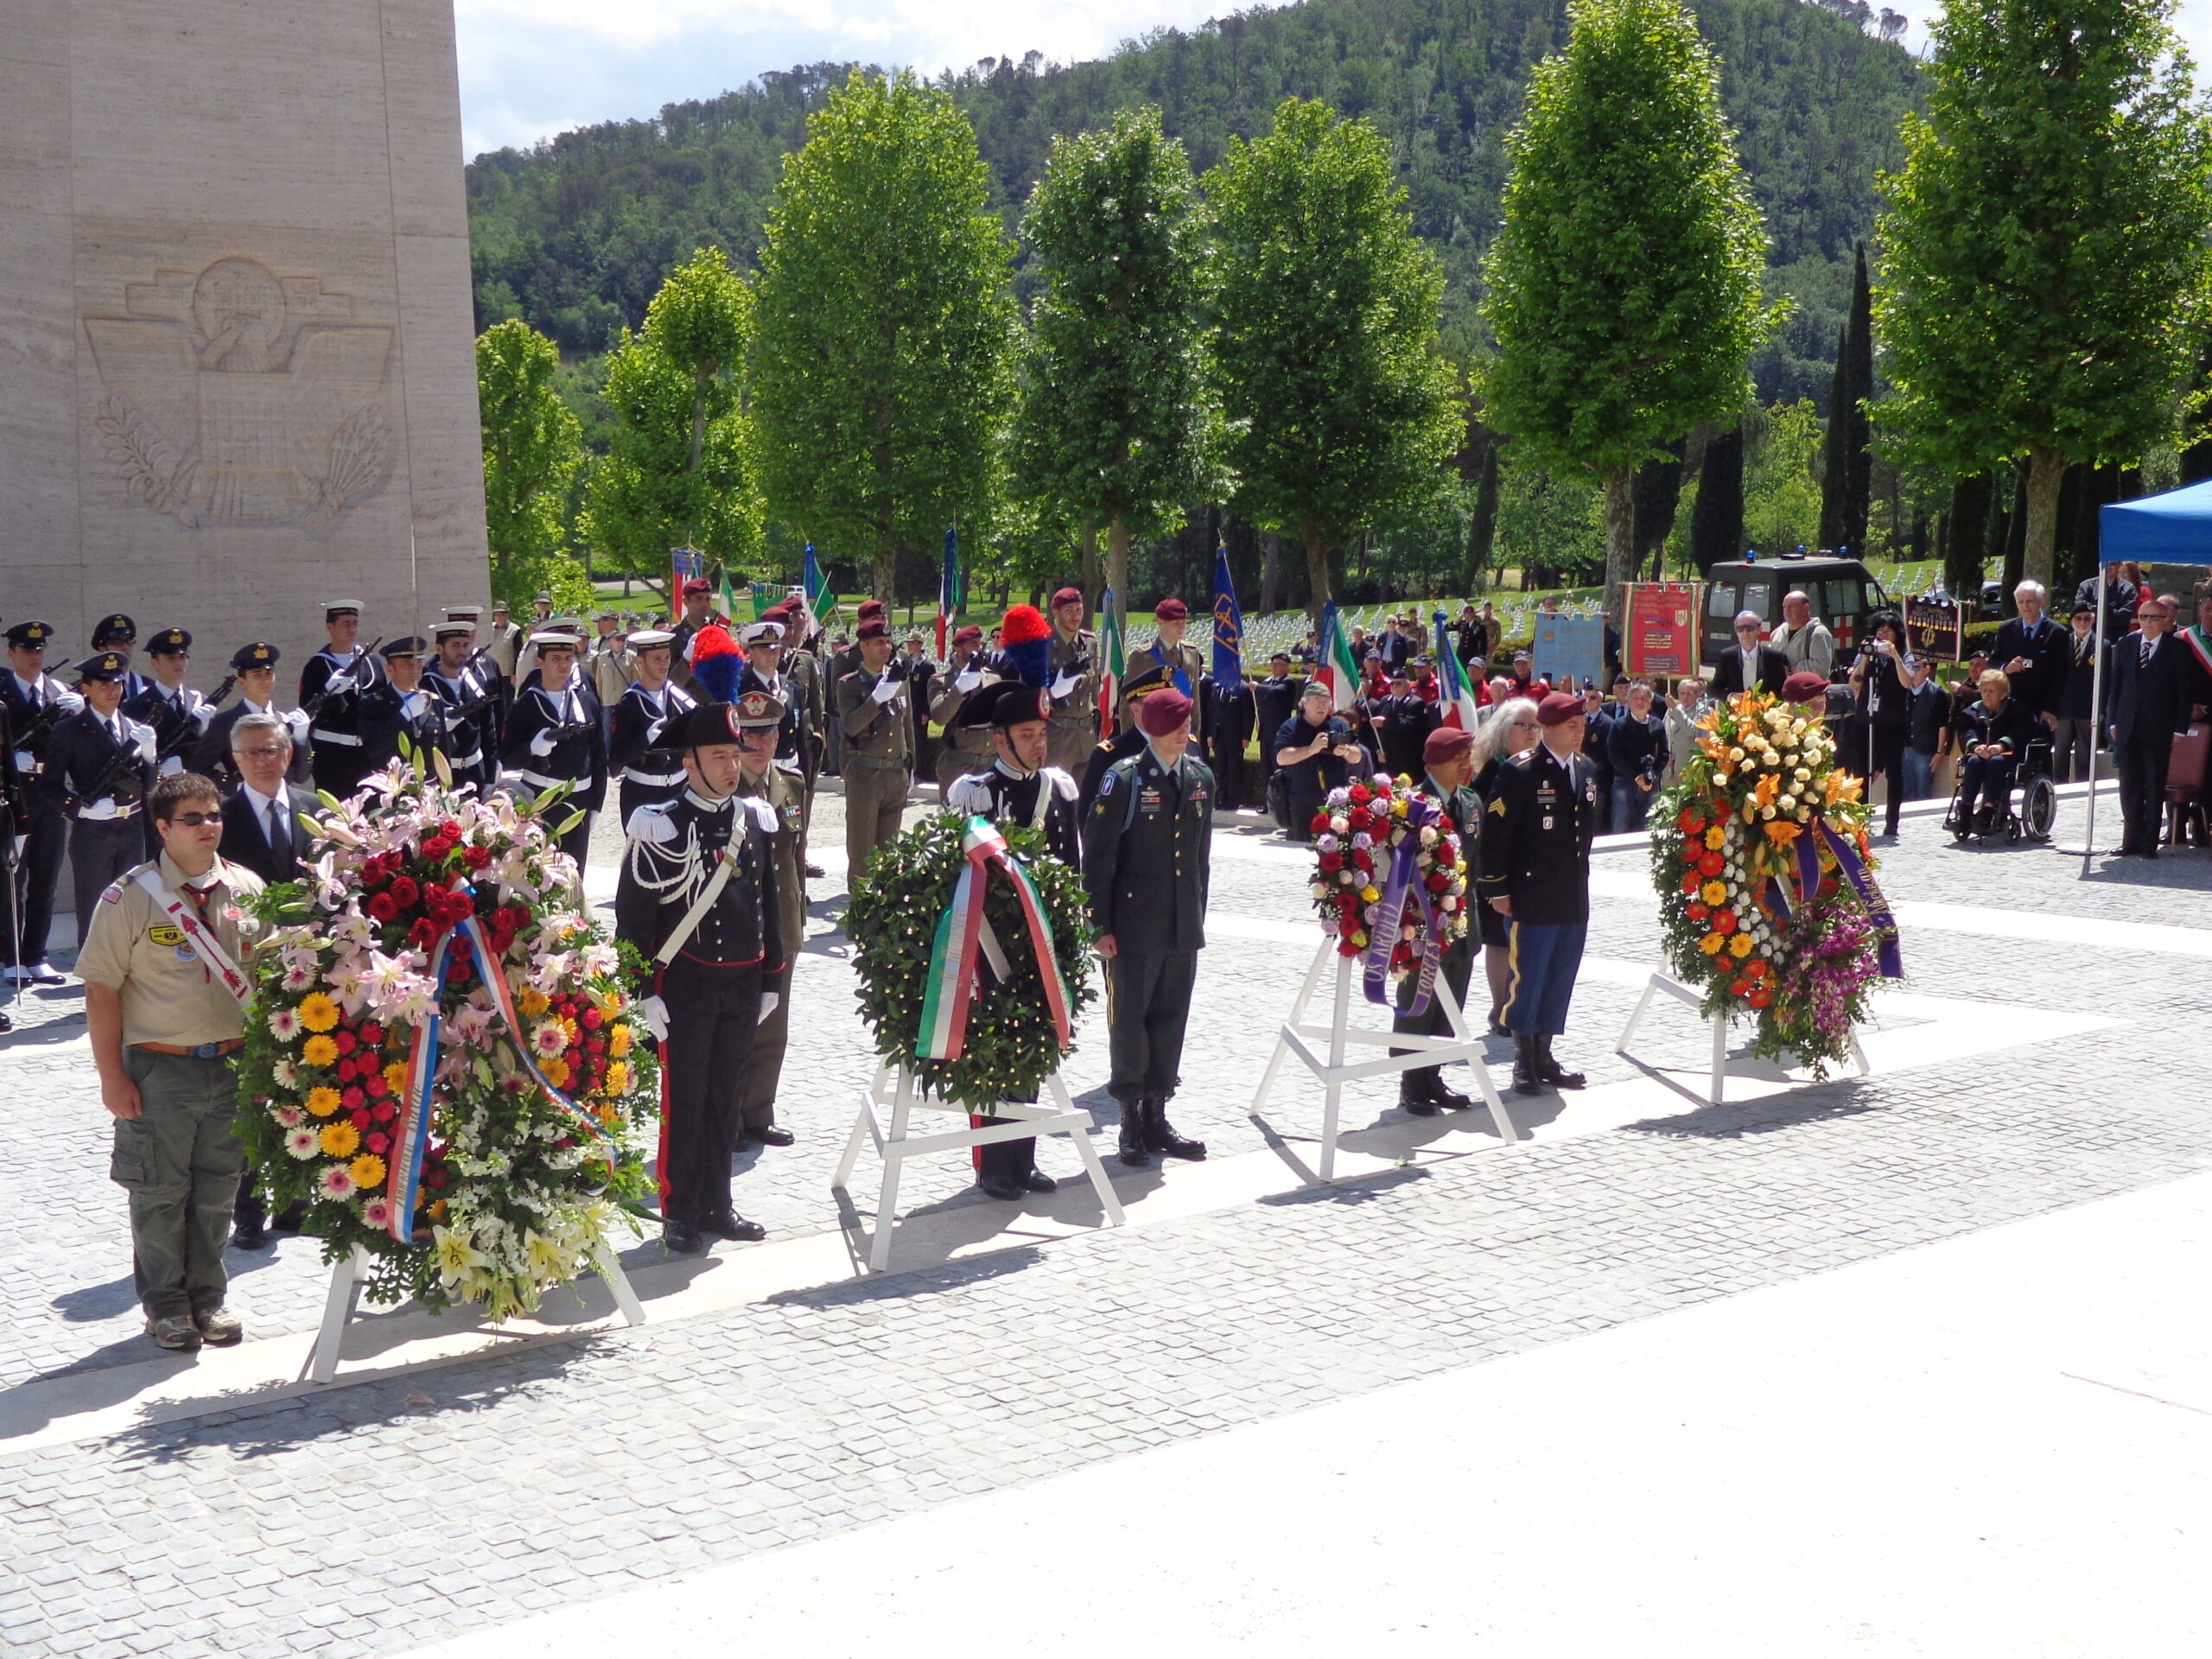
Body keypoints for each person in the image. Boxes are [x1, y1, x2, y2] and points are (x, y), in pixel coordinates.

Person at [76, 772, 266, 1351]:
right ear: (162, 827)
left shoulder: (248, 888)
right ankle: (164, 1306)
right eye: (193, 818)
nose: (209, 826)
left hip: (231, 1064)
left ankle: (208, 1298)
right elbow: (101, 990)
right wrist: (112, 1076)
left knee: (217, 1190)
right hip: (161, 1068)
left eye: (214, 815)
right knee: (159, 1192)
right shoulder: (129, 897)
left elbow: (269, 983)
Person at [615, 700, 785, 1253]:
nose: (732, 766)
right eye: (719, 756)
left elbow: (770, 903)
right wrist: (642, 991)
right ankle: (680, 1207)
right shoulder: (661, 824)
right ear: (689, 762)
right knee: (685, 1099)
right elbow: (634, 916)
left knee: (728, 1096)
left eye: (735, 754)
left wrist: (770, 979)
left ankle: (719, 1202)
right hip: (685, 984)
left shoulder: (753, 819)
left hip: (740, 983)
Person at [944, 681, 1082, 1199]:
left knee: (1032, 1048)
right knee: (991, 1051)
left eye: (1042, 733)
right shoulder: (974, 792)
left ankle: (1023, 1156)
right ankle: (993, 1165)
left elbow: (1071, 864)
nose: (1039, 744)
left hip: (1040, 941)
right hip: (991, 943)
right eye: (1027, 735)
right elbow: (956, 875)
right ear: (1001, 740)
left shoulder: (1060, 787)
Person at [1082, 685, 1211, 1169]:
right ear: (1153, 728)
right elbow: (1097, 858)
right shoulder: (1125, 779)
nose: (1185, 732)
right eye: (1176, 725)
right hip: (1133, 927)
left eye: (1187, 723)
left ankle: (1159, 1112)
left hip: (1180, 923)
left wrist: (1196, 914)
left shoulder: (1199, 775)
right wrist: (1098, 923)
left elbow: (1201, 858)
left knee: (1170, 1017)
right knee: (1130, 1022)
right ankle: (1131, 1117)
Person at [217, 711, 309, 1249]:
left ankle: (298, 1200)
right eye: (252, 753)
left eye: (272, 749)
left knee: (306, 1080)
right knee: (252, 1093)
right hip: (245, 972)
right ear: (236, 759)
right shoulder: (220, 818)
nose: (264, 760)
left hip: (310, 972)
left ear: (289, 753)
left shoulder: (317, 810)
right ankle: (247, 1212)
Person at [1478, 690, 1599, 1096]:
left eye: (1582, 725)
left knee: (1560, 975)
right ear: (1546, 729)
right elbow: (1496, 835)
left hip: (1571, 894)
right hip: (1531, 894)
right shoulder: (1521, 771)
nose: (1579, 733)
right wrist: (1497, 889)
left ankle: (1545, 1054)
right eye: (1571, 726)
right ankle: (1524, 1060)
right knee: (1527, 978)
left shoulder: (1587, 770)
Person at [1389, 726, 1484, 1116]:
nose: (1465, 764)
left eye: (1467, 756)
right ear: (1434, 763)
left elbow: (1476, 863)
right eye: (1457, 757)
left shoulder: (1472, 802)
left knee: (1452, 1004)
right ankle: (1411, 1080)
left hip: (1462, 922)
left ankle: (1434, 1075)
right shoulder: (1412, 805)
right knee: (1418, 1002)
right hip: (1421, 925)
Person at [731, 689, 804, 1154]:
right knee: (738, 1023)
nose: (760, 745)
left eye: (768, 734)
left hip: (784, 924)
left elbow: (795, 859)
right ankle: (730, 1117)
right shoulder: (724, 788)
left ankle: (760, 1113)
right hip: (740, 926)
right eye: (751, 735)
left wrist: (798, 918)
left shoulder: (791, 784)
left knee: (773, 1025)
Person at [47, 650, 158, 946]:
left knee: (131, 905)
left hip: (132, 828)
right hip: (93, 833)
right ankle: (95, 981)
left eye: (118, 684)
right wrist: (79, 811)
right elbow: (50, 786)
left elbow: (149, 787)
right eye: (104, 684)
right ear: (86, 688)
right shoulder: (68, 730)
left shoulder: (134, 729)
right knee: (94, 908)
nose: (113, 691)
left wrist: (151, 757)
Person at [2108, 597, 2207, 857]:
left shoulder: (2178, 650)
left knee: (2153, 786)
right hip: (2128, 725)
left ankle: (2149, 844)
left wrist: (2179, 729)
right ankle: (2130, 841)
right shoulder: (2126, 644)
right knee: (2128, 786)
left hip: (2159, 728)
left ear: (2166, 621)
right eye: (2143, 617)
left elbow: (2183, 694)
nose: (2148, 623)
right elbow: (2116, 686)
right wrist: (2113, 721)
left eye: (2154, 618)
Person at [500, 628, 607, 867]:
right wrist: (532, 750)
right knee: (540, 871)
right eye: (555, 659)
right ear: (540, 662)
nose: (563, 665)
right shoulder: (526, 703)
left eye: (568, 658)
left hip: (579, 798)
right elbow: (508, 758)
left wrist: (596, 805)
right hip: (541, 800)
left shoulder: (586, 700)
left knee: (574, 873)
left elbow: (599, 755)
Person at [1471, 697, 1540, 1034]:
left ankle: (1521, 1004)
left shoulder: (1541, 765)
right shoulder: (1493, 769)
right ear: (1503, 730)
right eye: (1523, 725)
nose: (1530, 732)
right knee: (1499, 941)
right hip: (1499, 868)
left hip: (1532, 870)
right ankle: (1500, 1007)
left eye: (1535, 726)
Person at [835, 618, 914, 878]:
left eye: (889, 642)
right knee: (862, 853)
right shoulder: (850, 684)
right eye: (879, 642)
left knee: (889, 855)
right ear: (864, 645)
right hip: (866, 776)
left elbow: (907, 727)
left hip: (895, 774)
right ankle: (859, 913)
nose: (886, 647)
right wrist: (877, 697)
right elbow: (851, 726)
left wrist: (911, 766)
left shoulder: (899, 681)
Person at [192, 642, 311, 792]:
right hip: (246, 804)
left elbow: (301, 776)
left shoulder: (284, 721)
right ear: (242, 682)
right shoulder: (225, 723)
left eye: (269, 673)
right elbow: (199, 769)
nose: (265, 680)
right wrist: (235, 786)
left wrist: (301, 741)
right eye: (257, 675)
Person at [298, 601, 385, 799]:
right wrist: (328, 691)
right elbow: (306, 713)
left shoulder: (371, 662)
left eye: (355, 623)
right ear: (330, 627)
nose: (352, 629)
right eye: (346, 623)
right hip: (332, 756)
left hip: (366, 755)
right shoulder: (317, 665)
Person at [607, 628, 696, 821]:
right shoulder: (629, 703)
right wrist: (644, 741)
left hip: (678, 790)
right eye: (657, 659)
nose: (664, 664)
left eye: (667, 657)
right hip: (643, 793)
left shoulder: (679, 698)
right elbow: (615, 760)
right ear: (640, 661)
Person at [1950, 668, 2040, 840]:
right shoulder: (1973, 711)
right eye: (1984, 690)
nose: (1986, 695)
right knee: (1974, 762)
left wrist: (2001, 745)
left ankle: (1988, 810)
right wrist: (1976, 746)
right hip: (1981, 754)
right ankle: (1966, 810)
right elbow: (1966, 731)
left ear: (2003, 693)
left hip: (2009, 756)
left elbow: (2023, 731)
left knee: (1996, 762)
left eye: (1992, 691)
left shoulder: (2018, 710)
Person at [1847, 611, 1912, 836]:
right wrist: (1865, 657)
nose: (1884, 636)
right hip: (1866, 719)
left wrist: (1895, 657)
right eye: (1880, 632)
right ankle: (1860, 817)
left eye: (1888, 632)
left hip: (1893, 722)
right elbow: (1854, 682)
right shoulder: (1865, 652)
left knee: (1894, 770)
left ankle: (1892, 820)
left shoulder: (1904, 654)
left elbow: (1907, 682)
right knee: (1861, 770)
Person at [1274, 681, 1365, 842]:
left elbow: (1357, 756)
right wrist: (1311, 749)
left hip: (1335, 799)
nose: (1322, 705)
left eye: (1326, 701)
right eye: (1317, 700)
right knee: (1301, 847)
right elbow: (1281, 758)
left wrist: (1345, 751)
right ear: (1305, 702)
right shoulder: (1291, 726)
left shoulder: (1338, 725)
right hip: (1302, 799)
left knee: (1335, 849)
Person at [124, 627, 216, 785]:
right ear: (154, 662)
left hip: (196, 788)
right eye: (170, 658)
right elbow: (127, 760)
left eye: (182, 657)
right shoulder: (134, 706)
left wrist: (204, 732)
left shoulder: (200, 701)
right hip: (158, 793)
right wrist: (156, 768)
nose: (178, 663)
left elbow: (212, 756)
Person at [423, 622, 499, 791]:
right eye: (455, 645)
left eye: (465, 645)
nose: (462, 651)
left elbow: (488, 732)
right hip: (442, 773)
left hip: (475, 772)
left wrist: (490, 778)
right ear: (439, 649)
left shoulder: (476, 682)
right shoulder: (426, 684)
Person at [356, 638, 448, 778]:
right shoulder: (373, 703)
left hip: (428, 788)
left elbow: (443, 749)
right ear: (390, 669)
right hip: (392, 788)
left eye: (418, 663)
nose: (415, 670)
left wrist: (445, 788)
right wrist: (405, 715)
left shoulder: (432, 700)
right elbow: (373, 747)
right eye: (407, 665)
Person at [1079, 668, 1164, 816]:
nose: (1167, 710)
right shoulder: (1109, 755)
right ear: (1136, 709)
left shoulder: (1187, 747)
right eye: (1158, 704)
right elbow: (1089, 819)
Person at [1993, 581, 2068, 731]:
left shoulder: (2058, 632)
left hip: (2041, 709)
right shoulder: (2006, 629)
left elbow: (2061, 676)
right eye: (2021, 602)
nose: (2025, 606)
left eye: (2030, 601)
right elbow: (1993, 662)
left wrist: (2050, 709)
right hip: (2010, 707)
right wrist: (2006, 668)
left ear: (2042, 601)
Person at [929, 625, 996, 790]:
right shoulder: (942, 681)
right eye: (974, 644)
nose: (980, 649)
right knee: (955, 816)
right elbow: (939, 717)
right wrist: (959, 689)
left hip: (990, 766)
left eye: (981, 645)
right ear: (958, 650)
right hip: (958, 766)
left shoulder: (993, 678)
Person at [1044, 587, 1101, 772]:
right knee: (1056, 798)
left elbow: (1093, 687)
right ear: (1055, 613)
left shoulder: (1089, 642)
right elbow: (1028, 695)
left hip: (1086, 736)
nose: (1075, 616)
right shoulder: (1042, 646)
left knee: (1085, 798)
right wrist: (1051, 694)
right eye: (1068, 610)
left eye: (1079, 609)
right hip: (1057, 738)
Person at [1605, 681, 1667, 832]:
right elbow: (1614, 756)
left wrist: (1652, 776)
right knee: (1620, 825)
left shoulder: (1657, 725)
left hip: (1650, 785)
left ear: (1650, 702)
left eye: (1644, 698)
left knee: (1647, 827)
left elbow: (1665, 753)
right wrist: (1636, 776)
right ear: (1628, 701)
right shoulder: (1618, 725)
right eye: (1636, 698)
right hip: (1624, 783)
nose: (1640, 702)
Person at [1124, 598, 1206, 698]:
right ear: (1160, 622)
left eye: (1184, 622)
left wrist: (1195, 714)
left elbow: (1195, 697)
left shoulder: (1192, 652)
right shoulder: (1143, 656)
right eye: (1176, 623)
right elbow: (1127, 699)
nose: (1182, 627)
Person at [1370, 669, 1438, 779]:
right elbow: (1376, 731)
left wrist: (1385, 723)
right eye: (1392, 683)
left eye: (1398, 683)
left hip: (1407, 758)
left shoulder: (1416, 703)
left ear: (1407, 686)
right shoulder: (1385, 701)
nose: (1395, 686)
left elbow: (1410, 726)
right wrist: (1378, 751)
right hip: (1387, 758)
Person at [1708, 611, 1790, 697]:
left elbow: (1782, 689)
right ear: (1736, 632)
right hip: (1736, 709)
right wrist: (1731, 696)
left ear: (1759, 629)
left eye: (1750, 628)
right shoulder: (1727, 656)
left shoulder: (1774, 657)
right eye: (1740, 629)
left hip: (1766, 709)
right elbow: (1714, 689)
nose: (1745, 633)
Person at [1904, 653, 1951, 804]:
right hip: (1904, 749)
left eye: (1917, 668)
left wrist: (1939, 753)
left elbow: (1943, 726)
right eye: (1910, 668)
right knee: (1906, 793)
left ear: (1927, 669)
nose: (1913, 672)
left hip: (1925, 751)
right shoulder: (1904, 690)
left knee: (1923, 792)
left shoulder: (1937, 693)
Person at [2075, 561, 2140, 648]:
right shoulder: (2086, 586)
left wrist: (2094, 609)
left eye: (2112, 564)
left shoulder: (2128, 589)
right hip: (2088, 642)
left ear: (2119, 566)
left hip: (2116, 642)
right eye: (2104, 563)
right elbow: (2080, 611)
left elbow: (2123, 618)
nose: (2108, 567)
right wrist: (2111, 611)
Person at [1770, 591, 1835, 676]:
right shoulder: (1778, 632)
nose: (1787, 611)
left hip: (1808, 687)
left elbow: (1821, 667)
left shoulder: (1818, 634)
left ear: (1806, 608)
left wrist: (1792, 670)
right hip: (1780, 687)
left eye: (1792, 606)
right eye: (1785, 607)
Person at [668, 580, 715, 688]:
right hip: (691, 702)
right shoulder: (675, 638)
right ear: (686, 602)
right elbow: (671, 683)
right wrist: (687, 660)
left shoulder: (717, 631)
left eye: (708, 599)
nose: (705, 604)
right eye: (698, 599)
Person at [1663, 677, 1707, 782]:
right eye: (1682, 693)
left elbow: (1692, 731)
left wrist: (1675, 709)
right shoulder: (1671, 710)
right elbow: (1664, 734)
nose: (1685, 697)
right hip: (1669, 769)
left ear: (1697, 695)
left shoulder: (1704, 712)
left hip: (1689, 770)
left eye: (1689, 694)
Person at [485, 600, 524, 683]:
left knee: (508, 697)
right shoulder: (489, 628)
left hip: (507, 675)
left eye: (501, 614)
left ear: (507, 615)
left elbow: (519, 653)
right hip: (492, 673)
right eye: (496, 614)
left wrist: (515, 673)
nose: (499, 617)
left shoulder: (515, 630)